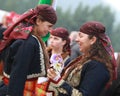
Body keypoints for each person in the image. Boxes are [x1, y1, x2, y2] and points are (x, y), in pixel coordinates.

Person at [47, 21, 117, 96]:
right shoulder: (85, 60)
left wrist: (58, 80)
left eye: (81, 36)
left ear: (92, 40)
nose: (77, 40)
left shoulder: (98, 66)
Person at [0, 4, 57, 96]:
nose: (50, 30)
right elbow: (18, 74)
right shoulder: (28, 42)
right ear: (38, 21)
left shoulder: (28, 37)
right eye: (49, 26)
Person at [35, 27, 71, 96]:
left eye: (56, 39)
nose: (51, 40)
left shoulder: (67, 60)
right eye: (51, 37)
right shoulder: (43, 53)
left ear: (64, 42)